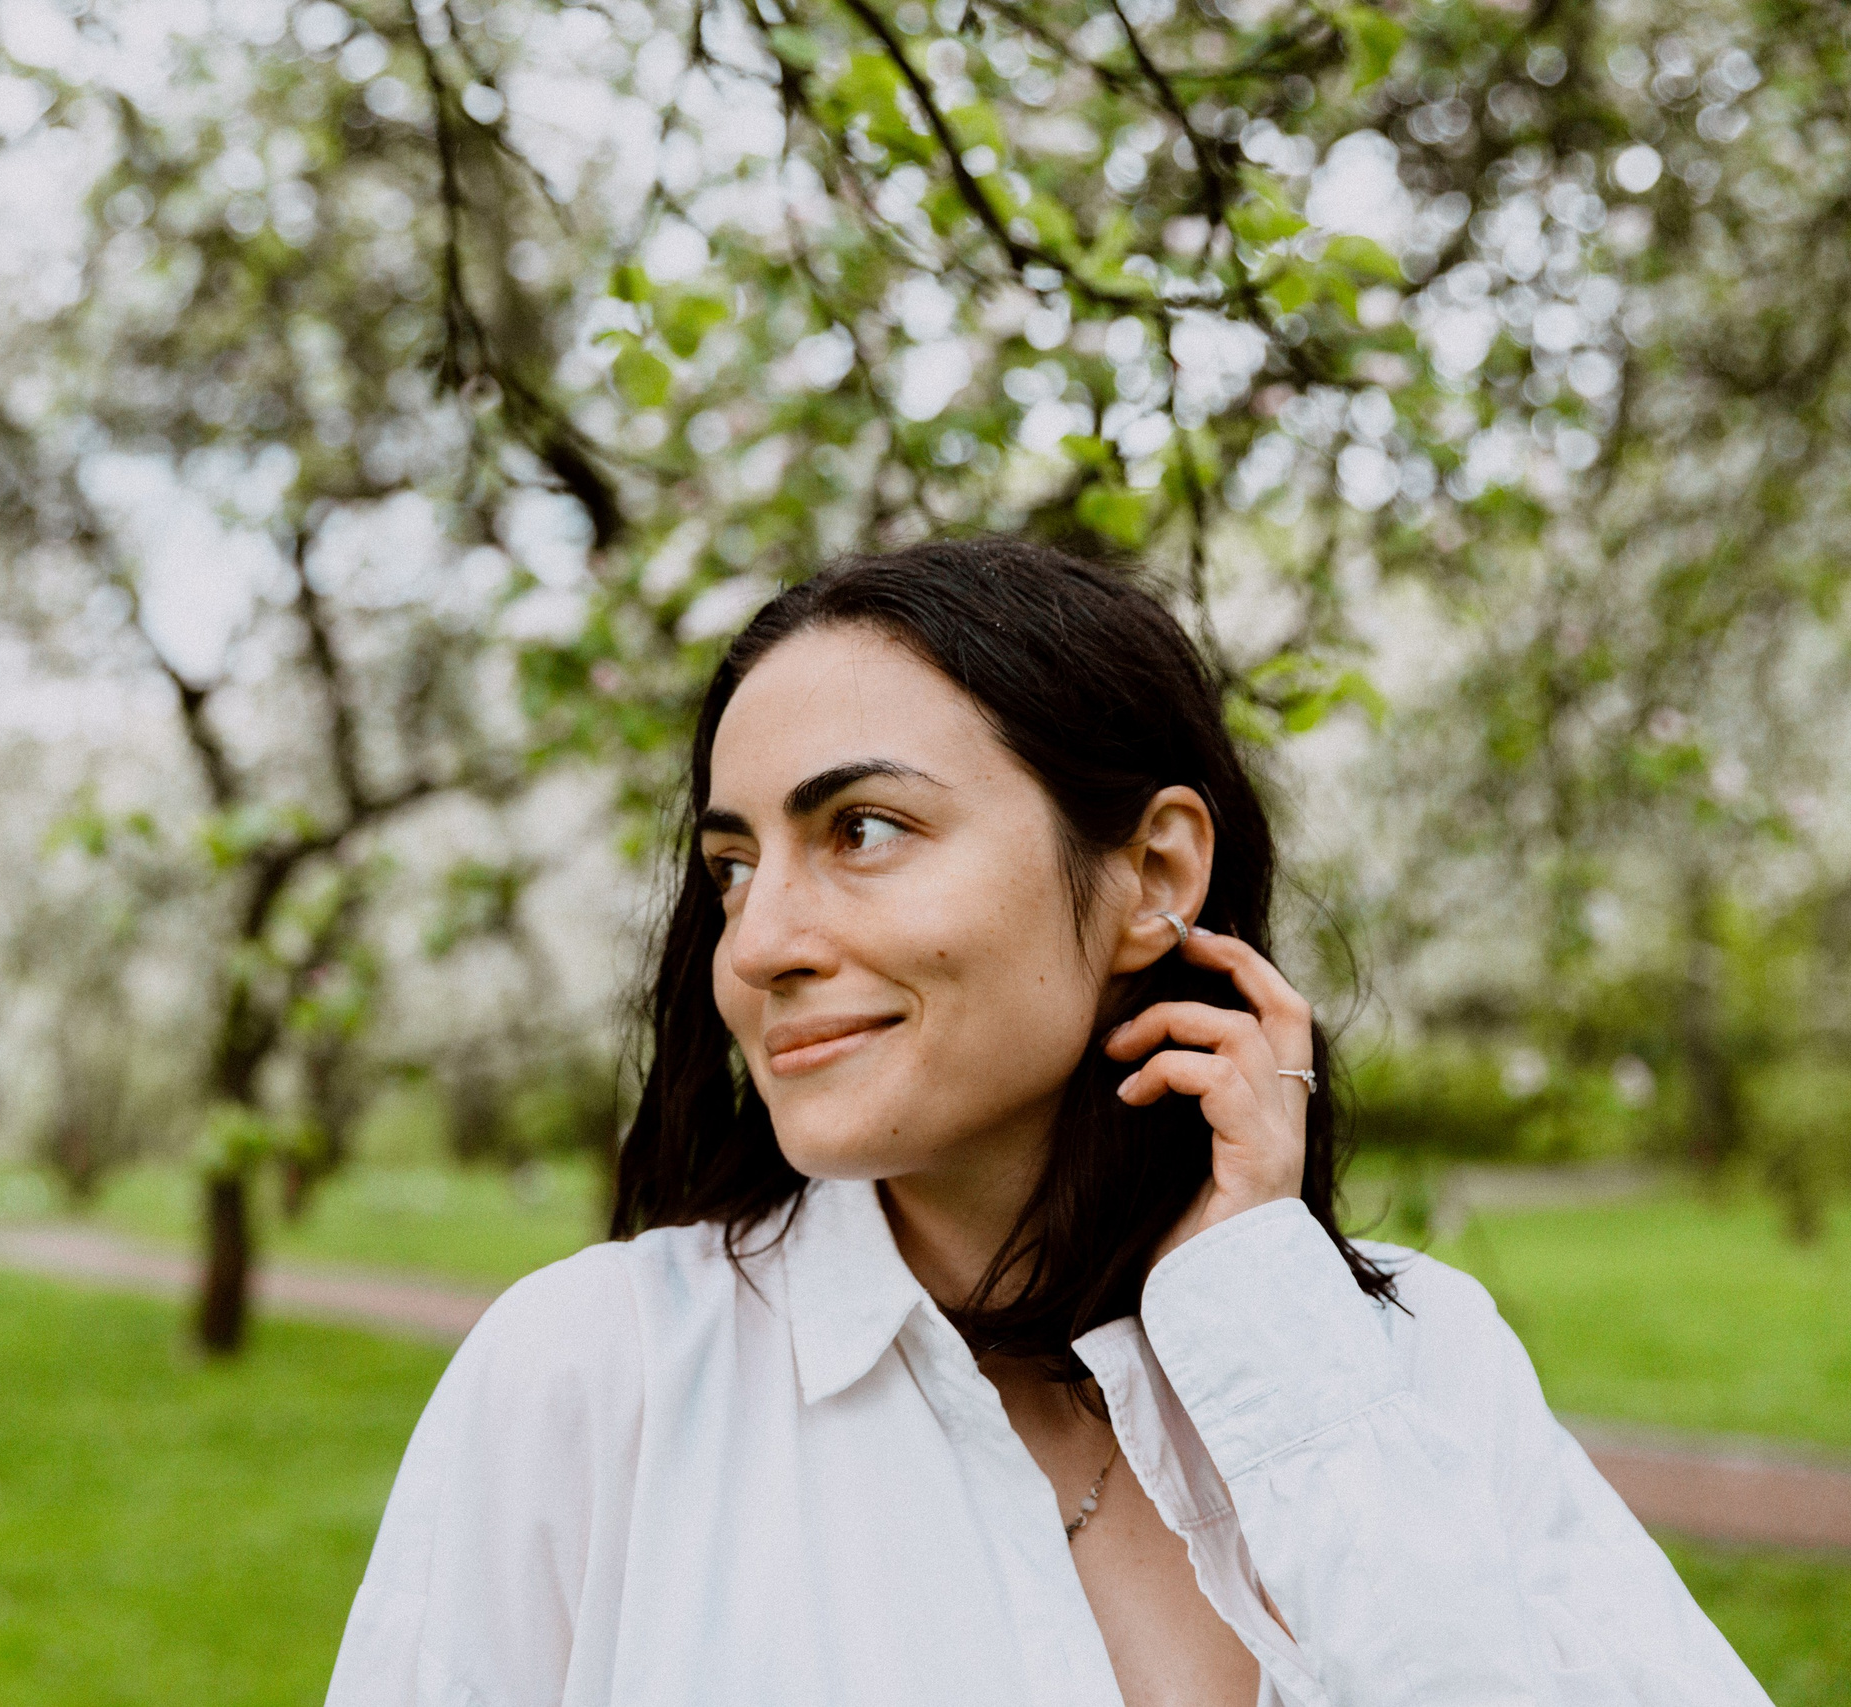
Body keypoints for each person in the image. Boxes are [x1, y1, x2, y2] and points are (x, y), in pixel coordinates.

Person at [324, 536, 1769, 1706]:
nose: (759, 942)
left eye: (863, 831)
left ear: (1153, 873)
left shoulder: (1405, 1364)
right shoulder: (593, 1380)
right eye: (730, 865)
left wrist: (1273, 1330)